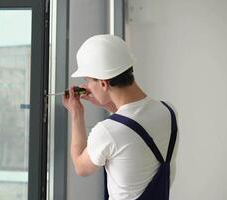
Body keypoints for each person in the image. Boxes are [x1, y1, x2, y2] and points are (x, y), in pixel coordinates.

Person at [62, 34, 178, 200]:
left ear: (103, 84)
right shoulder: (168, 111)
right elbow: (131, 124)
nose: (87, 86)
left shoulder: (107, 131)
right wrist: (105, 103)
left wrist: (77, 113)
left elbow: (81, 167)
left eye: (88, 81)